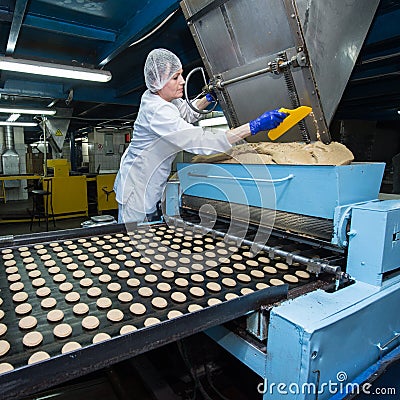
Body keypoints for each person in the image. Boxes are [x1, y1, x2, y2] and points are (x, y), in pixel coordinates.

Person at [114, 48, 287, 223]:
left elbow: (185, 112)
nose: (182, 81)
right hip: (137, 189)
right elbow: (201, 142)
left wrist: (208, 98)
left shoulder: (164, 99)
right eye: (175, 77)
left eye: (181, 74)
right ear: (158, 83)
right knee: (134, 238)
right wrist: (253, 126)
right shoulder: (156, 111)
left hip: (150, 180)